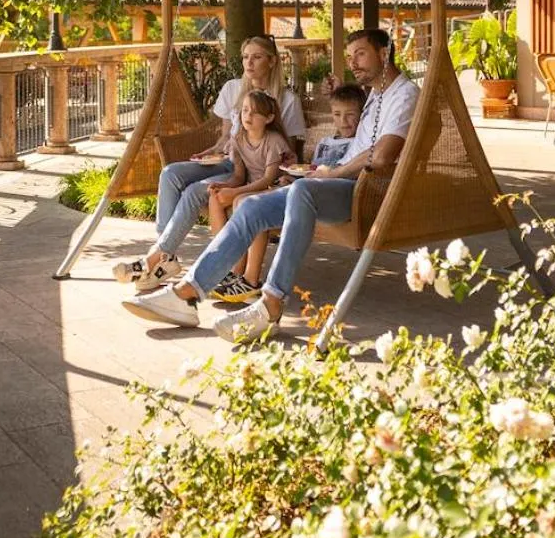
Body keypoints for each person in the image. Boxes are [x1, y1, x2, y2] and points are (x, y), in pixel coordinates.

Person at [123, 28, 417, 342]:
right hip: (336, 183)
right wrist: (323, 170)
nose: (353, 62)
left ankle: (272, 303)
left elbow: (383, 155)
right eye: (350, 55)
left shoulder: (404, 94)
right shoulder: (375, 94)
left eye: (360, 53)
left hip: (364, 192)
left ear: (384, 53)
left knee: (303, 191)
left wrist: (333, 173)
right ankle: (186, 294)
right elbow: (356, 135)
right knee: (251, 204)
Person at [111, 35, 306, 293]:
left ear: (272, 61)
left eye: (257, 57)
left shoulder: (286, 99)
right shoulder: (232, 88)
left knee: (194, 192)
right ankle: (164, 254)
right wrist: (215, 148)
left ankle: (156, 258)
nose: (249, 62)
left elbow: (287, 148)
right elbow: (226, 134)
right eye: (246, 56)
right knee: (170, 173)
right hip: (228, 160)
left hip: (254, 168)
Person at [210, 82, 366, 305]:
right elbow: (312, 171)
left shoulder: (359, 145)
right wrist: (292, 172)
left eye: (351, 115)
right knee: (247, 202)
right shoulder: (325, 143)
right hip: (304, 190)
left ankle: (250, 280)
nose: (343, 121)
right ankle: (237, 274)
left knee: (253, 205)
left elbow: (340, 175)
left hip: (328, 199)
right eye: (337, 114)